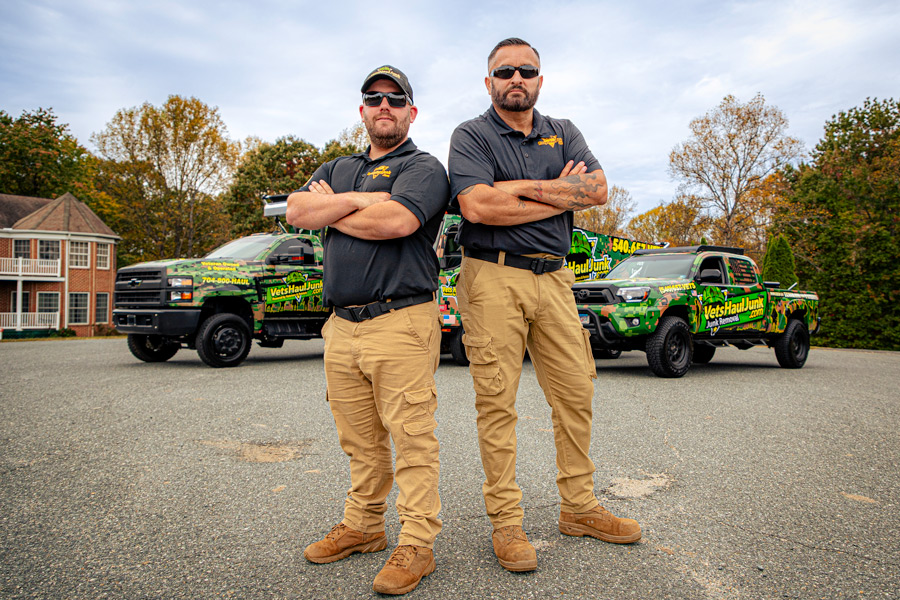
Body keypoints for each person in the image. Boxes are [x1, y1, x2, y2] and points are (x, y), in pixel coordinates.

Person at [447, 38, 641, 572]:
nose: (516, 78)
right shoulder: (471, 135)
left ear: (540, 79)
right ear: (489, 82)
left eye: (526, 70)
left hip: (555, 278)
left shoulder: (565, 129)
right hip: (492, 276)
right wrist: (556, 189)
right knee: (497, 400)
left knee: (576, 391)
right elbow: (478, 206)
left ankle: (579, 507)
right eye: (504, 71)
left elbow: (598, 190)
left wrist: (518, 192)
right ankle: (507, 524)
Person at [286, 65, 449, 595]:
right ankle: (363, 527)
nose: (384, 106)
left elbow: (398, 223)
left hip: (401, 320)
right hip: (342, 326)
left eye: (395, 99)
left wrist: (330, 209)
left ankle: (417, 543)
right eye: (374, 98)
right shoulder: (338, 164)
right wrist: (362, 200)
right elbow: (296, 210)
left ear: (410, 112)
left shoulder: (424, 168)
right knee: (359, 439)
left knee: (412, 437)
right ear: (362, 110)